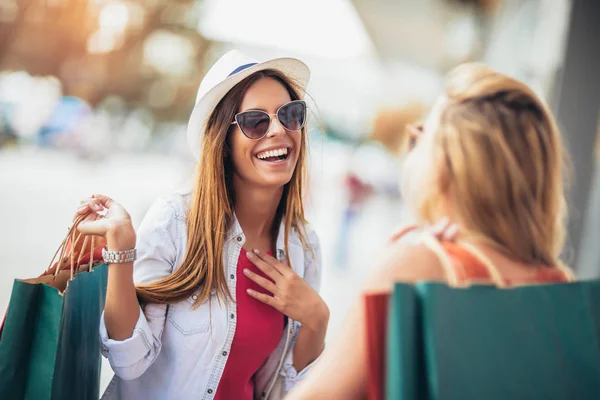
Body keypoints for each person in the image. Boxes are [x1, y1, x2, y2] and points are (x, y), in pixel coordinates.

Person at [286, 62, 575, 399]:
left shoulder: (421, 265)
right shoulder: (561, 287)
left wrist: (386, 270)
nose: (413, 147)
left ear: (447, 163)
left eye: (421, 136)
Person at [75, 50, 329, 400]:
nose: (278, 131)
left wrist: (317, 319)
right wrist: (122, 252)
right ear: (223, 141)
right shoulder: (175, 221)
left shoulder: (304, 246)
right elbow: (129, 362)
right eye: (256, 121)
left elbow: (287, 390)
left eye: (290, 115)